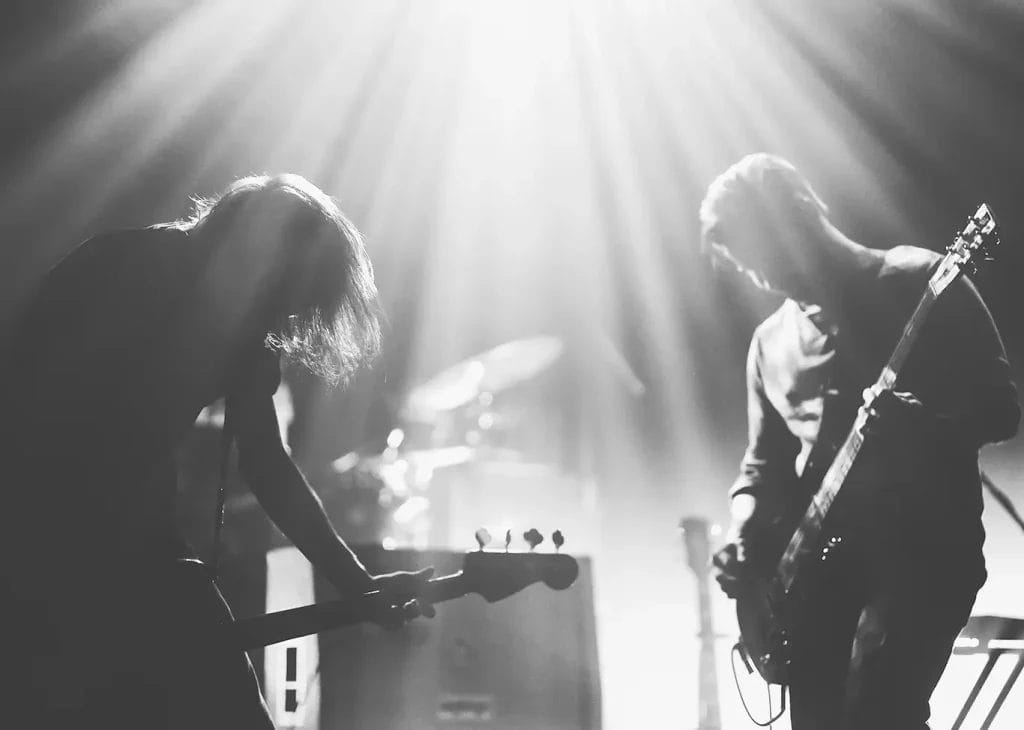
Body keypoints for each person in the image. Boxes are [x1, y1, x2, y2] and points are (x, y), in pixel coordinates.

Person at [0, 174, 433, 729]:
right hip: (42, 536)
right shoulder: (123, 268)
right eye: (287, 295)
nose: (283, 319)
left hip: (135, 547)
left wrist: (355, 581)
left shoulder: (238, 330)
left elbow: (267, 463)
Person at [701, 154, 1019, 729]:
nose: (761, 278)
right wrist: (744, 534)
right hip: (818, 575)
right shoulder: (769, 342)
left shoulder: (924, 282)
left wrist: (920, 421)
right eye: (746, 268)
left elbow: (1002, 409)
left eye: (760, 254)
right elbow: (761, 469)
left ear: (800, 216)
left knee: (878, 710)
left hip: (923, 555)